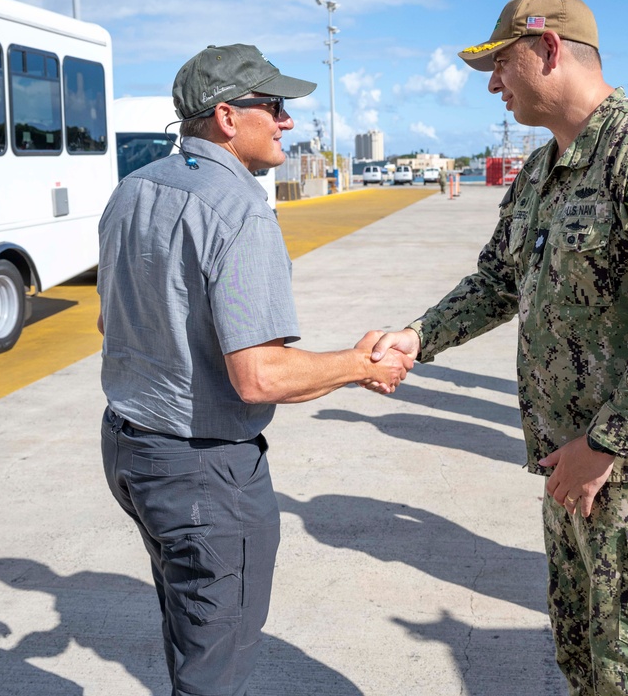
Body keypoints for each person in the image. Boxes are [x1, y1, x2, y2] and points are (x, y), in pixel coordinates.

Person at [369, 0, 628, 695]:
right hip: (573, 473)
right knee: (586, 667)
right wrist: (417, 337)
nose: (491, 83)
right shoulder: (542, 170)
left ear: (550, 50)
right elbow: (498, 280)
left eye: (501, 62)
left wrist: (604, 445)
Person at [97, 43, 411, 696]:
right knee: (217, 668)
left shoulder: (131, 191)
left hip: (131, 452)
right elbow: (258, 376)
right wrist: (359, 365)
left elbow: (112, 323)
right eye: (273, 105)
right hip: (202, 473)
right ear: (226, 117)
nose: (287, 121)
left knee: (190, 631)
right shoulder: (237, 209)